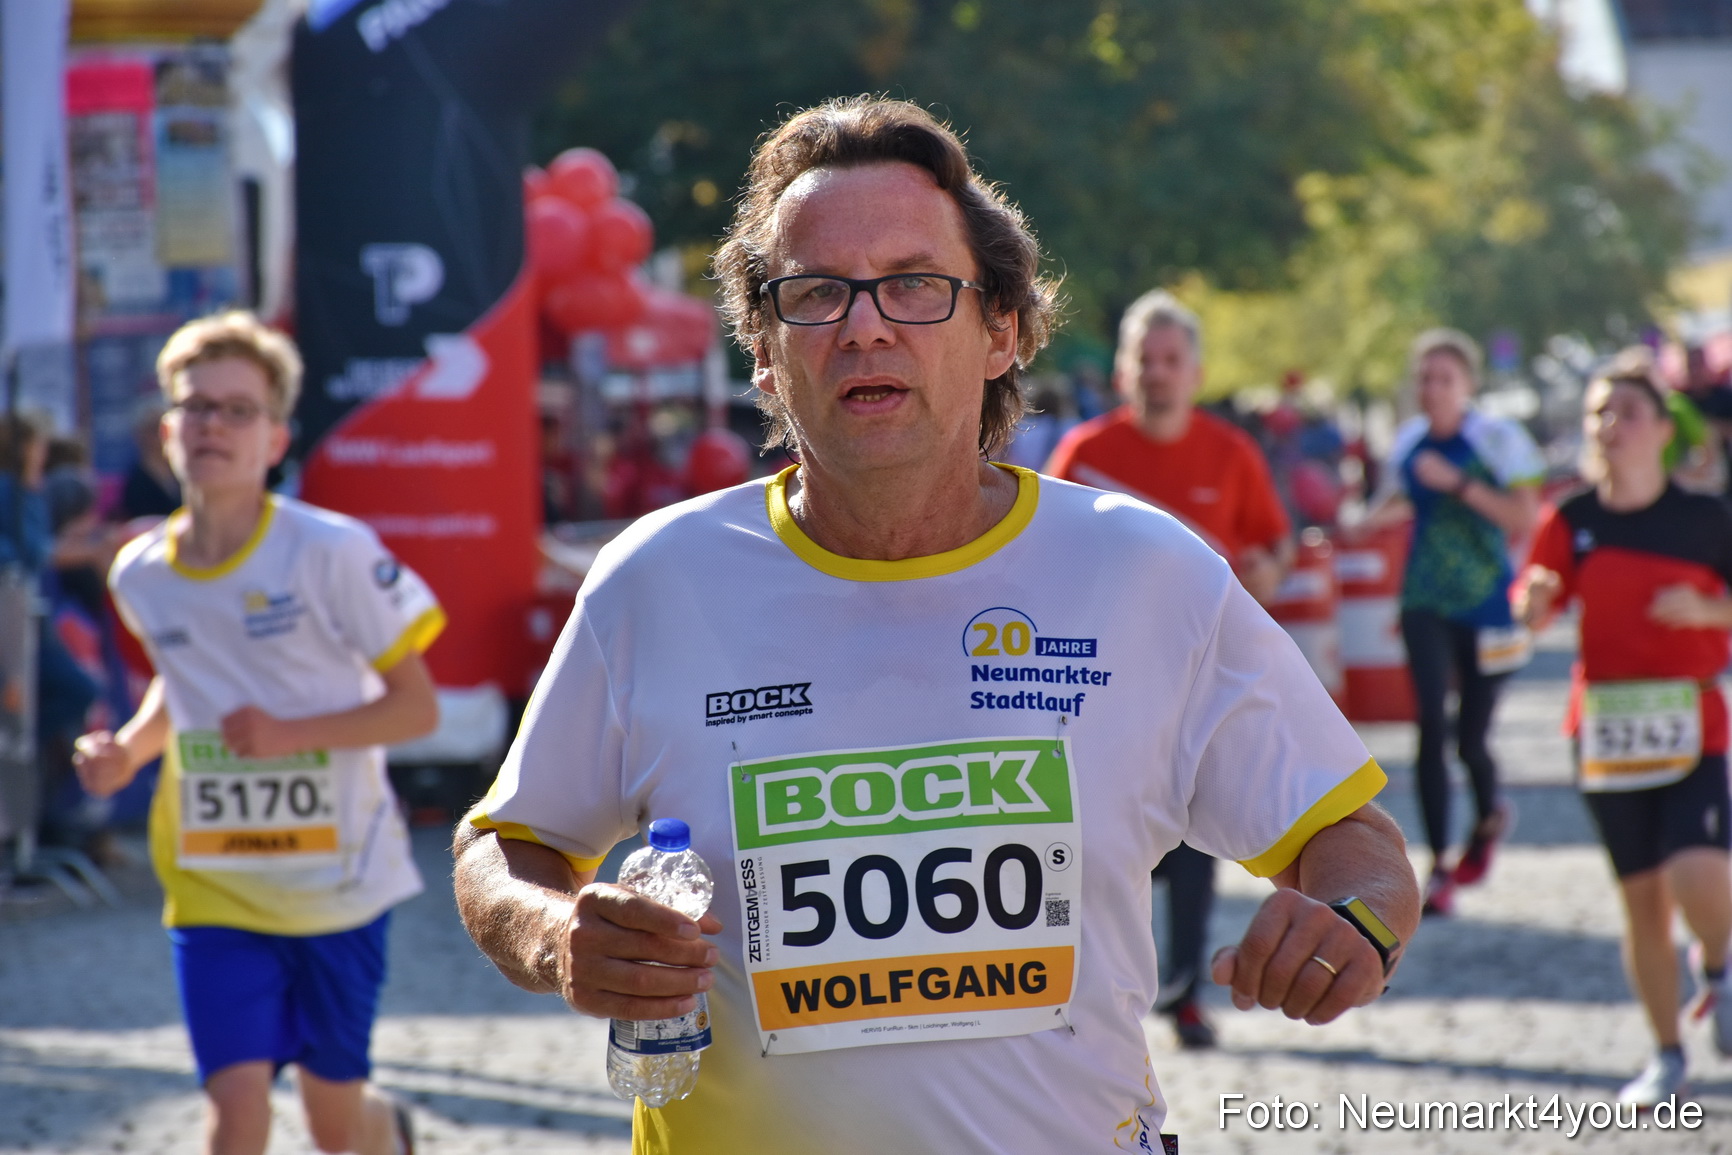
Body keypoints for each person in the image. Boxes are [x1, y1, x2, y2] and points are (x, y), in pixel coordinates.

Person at [452, 95, 1419, 1154]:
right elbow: (503, 846)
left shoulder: (1143, 574)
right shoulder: (655, 580)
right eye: (815, 294)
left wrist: (1348, 927)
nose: (864, 324)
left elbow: (1359, 849)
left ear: (1000, 331)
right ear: (766, 354)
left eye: (912, 285)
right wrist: (553, 937)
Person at [71, 311, 442, 1155]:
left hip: (338, 885)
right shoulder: (142, 573)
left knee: (334, 1125)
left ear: (275, 438)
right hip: (213, 880)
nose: (212, 425)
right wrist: (128, 747)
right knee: (235, 1115)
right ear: (168, 430)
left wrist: (288, 734)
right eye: (196, 407)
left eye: (238, 410)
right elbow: (185, 682)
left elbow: (415, 708)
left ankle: (388, 1129)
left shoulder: (331, 552)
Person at [1044, 291, 1295, 1049]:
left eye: (1170, 360)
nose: (1156, 374)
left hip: (1193, 681)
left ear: (1196, 371)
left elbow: (1275, 550)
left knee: (1192, 845)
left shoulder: (1231, 454)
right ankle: (1089, 997)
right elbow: (1040, 559)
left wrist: (1268, 571)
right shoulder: (1083, 456)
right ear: (1123, 371)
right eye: (1143, 360)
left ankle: (1186, 990)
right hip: (1096, 686)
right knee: (1097, 840)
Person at [1515, 359, 1732, 1106]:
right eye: (1600, 412)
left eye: (1629, 411)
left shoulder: (1707, 518)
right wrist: (1535, 601)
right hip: (1606, 730)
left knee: (1698, 872)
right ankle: (1667, 1054)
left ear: (1665, 430)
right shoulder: (1572, 520)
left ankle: (1721, 961)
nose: (1611, 425)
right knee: (1642, 901)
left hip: (1692, 721)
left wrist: (1707, 613)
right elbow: (1534, 602)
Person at [1365, 329, 1542, 916]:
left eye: (1445, 378)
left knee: (1471, 738)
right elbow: (1398, 501)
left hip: (1488, 600)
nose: (1432, 389)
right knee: (1430, 730)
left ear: (1468, 386)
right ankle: (1439, 864)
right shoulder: (1409, 441)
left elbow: (1524, 517)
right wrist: (1359, 524)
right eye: (1424, 378)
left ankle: (1490, 814)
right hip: (1424, 598)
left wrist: (1462, 485)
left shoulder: (1497, 439)